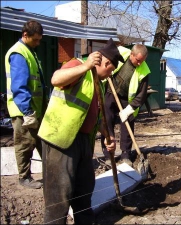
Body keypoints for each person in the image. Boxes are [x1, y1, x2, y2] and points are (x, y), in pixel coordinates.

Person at [37, 38, 123, 224]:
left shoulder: (98, 83)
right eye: (111, 70)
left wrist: (107, 136)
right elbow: (56, 79)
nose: (110, 74)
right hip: (60, 140)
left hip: (83, 142)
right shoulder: (77, 66)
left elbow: (96, 116)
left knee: (84, 191)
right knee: (59, 195)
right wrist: (85, 66)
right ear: (106, 63)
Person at [5, 20, 48, 189]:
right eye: (35, 40)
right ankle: (24, 177)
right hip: (23, 110)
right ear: (25, 35)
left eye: (39, 40)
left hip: (34, 109)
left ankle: (50, 172)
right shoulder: (19, 53)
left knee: (40, 142)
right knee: (24, 143)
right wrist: (27, 111)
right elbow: (19, 86)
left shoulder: (29, 51)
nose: (38, 43)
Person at [100, 44, 150, 166]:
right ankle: (108, 155)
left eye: (142, 61)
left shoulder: (144, 70)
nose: (140, 64)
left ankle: (126, 155)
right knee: (106, 121)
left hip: (127, 99)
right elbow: (104, 57)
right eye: (138, 60)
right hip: (110, 92)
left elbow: (142, 94)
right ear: (131, 54)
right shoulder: (120, 52)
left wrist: (129, 109)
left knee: (128, 124)